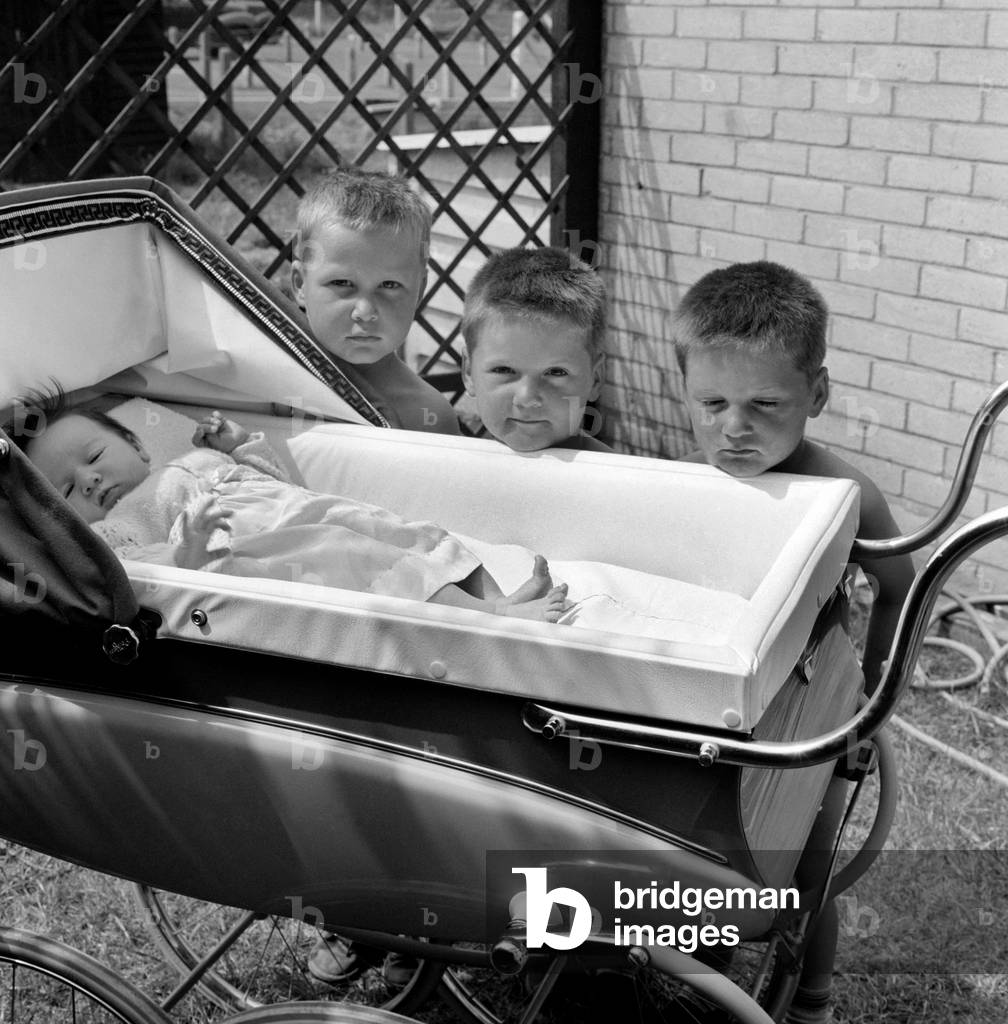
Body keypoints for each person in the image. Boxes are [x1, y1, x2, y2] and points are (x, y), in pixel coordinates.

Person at [672, 261, 916, 1024]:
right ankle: (702, 980)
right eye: (712, 403)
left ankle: (810, 1003)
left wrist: (870, 703)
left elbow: (900, 586)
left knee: (808, 870)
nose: (734, 428)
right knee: (707, 858)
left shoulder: (845, 495)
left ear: (817, 394)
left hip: (816, 711)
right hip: (724, 709)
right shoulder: (684, 483)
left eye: (765, 405)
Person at [8, 392, 567, 623]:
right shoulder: (119, 523)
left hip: (308, 510)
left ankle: (498, 599)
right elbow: (138, 570)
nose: (90, 480)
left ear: (137, 447)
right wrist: (188, 552)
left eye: (94, 457)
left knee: (410, 533)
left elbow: (271, 481)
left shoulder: (190, 459)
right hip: (261, 549)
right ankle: (487, 623)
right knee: (358, 557)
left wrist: (238, 446)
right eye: (66, 491)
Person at [291, 166, 460, 436]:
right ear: (300, 284)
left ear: (419, 290)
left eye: (389, 285)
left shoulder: (428, 416)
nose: (365, 311)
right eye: (342, 283)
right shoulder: (262, 383)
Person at [460, 246, 612, 452]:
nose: (527, 398)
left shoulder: (617, 473)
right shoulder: (439, 464)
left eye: (556, 372)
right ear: (469, 372)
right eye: (503, 370)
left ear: (595, 379)